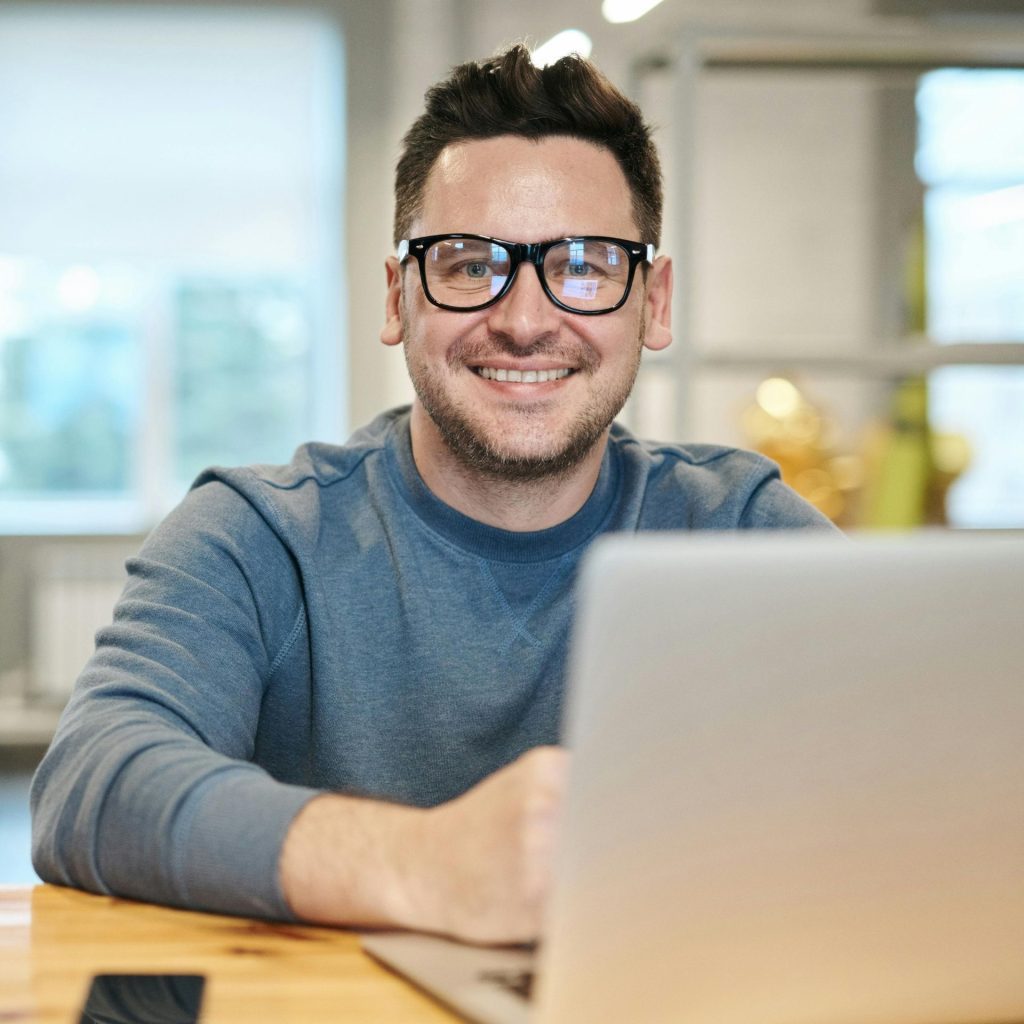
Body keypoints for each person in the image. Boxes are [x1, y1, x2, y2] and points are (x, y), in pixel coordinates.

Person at [31, 45, 835, 945]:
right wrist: (425, 864)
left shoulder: (741, 532)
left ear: (653, 301)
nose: (525, 321)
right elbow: (93, 786)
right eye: (466, 264)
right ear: (396, 297)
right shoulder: (260, 537)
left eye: (584, 264)